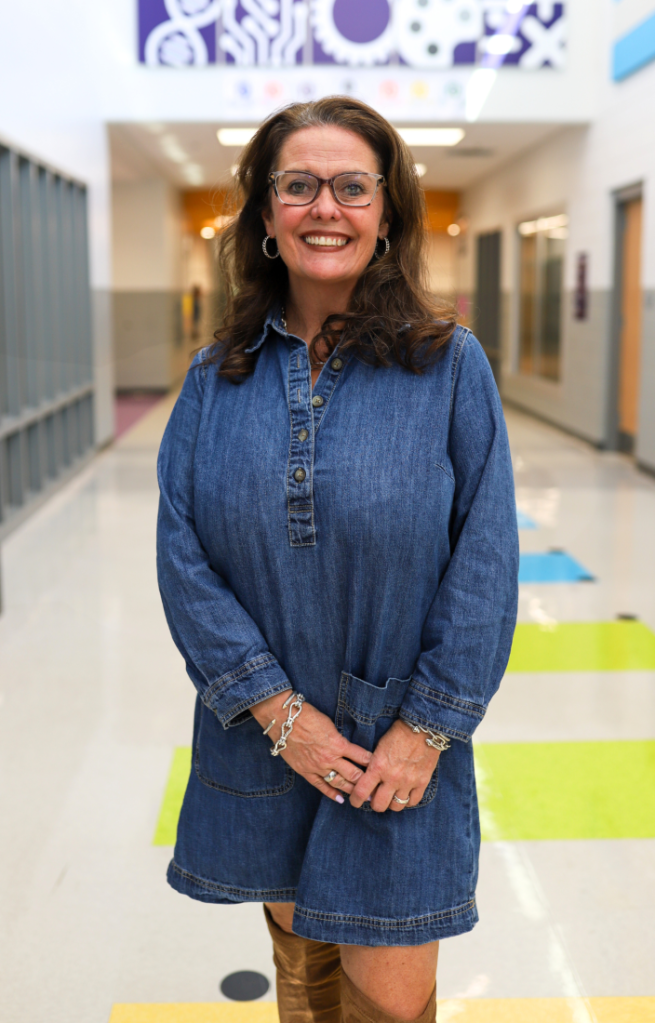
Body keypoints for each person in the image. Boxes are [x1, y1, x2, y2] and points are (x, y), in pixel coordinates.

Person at [156, 96, 519, 1023]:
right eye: (299, 185)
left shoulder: (448, 366)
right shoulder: (214, 377)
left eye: (353, 187)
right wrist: (283, 716)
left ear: (388, 213)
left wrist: (426, 728)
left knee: (387, 1005)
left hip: (397, 757)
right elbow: (182, 555)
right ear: (267, 216)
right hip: (266, 740)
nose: (327, 206)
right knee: (303, 990)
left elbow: (484, 560)